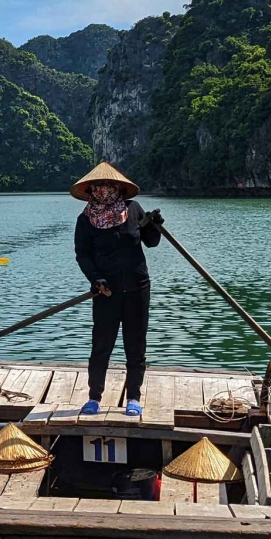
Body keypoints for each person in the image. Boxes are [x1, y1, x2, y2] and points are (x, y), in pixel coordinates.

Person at [72, 162, 162, 417]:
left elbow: (151, 242)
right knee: (101, 346)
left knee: (136, 346)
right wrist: (96, 279)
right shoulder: (85, 220)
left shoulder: (133, 210)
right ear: (91, 191)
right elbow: (83, 255)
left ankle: (133, 396)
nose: (104, 191)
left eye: (109, 187)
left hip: (137, 288)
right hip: (105, 292)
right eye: (99, 188)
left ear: (118, 188)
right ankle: (94, 398)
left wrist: (154, 224)